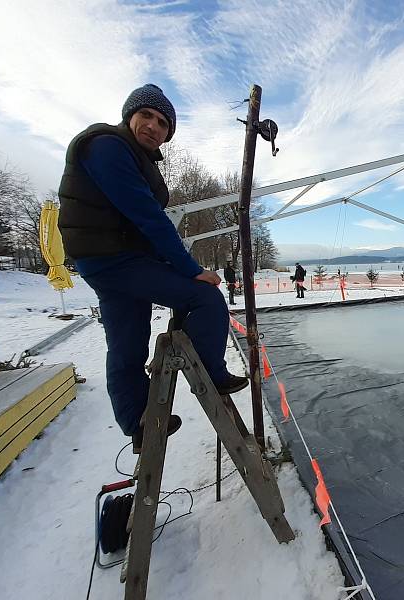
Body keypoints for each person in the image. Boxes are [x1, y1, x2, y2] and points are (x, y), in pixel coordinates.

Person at [58, 84, 248, 452]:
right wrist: (189, 268)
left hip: (106, 262)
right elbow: (147, 217)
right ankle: (212, 371)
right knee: (206, 297)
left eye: (163, 124)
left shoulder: (130, 155)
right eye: (147, 115)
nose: (154, 127)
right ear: (130, 115)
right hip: (116, 259)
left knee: (128, 345)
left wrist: (168, 263)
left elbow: (138, 222)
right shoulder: (107, 146)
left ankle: (139, 421)